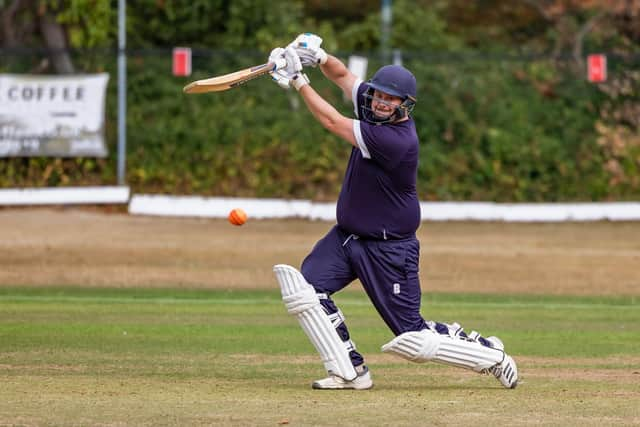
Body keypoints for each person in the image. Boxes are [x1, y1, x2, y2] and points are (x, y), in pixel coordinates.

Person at [269, 34, 518, 390]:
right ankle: (349, 371)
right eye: (379, 95)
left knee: (411, 337)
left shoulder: (396, 140)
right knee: (306, 290)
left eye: (391, 99)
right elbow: (342, 77)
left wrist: (298, 79)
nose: (382, 102)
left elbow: (333, 123)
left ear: (404, 105)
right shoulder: (371, 105)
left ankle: (491, 354)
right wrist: (317, 56)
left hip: (389, 249)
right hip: (348, 237)